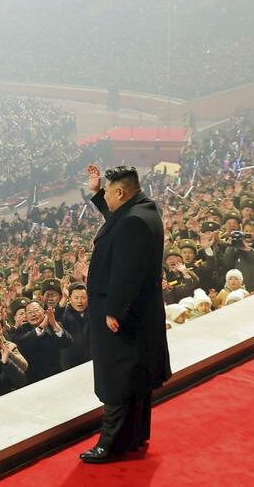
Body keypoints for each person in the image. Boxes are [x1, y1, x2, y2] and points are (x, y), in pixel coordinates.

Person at [80, 165, 170, 463]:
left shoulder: (134, 221)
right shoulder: (142, 212)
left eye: (107, 190)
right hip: (139, 314)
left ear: (121, 192)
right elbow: (117, 222)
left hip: (123, 316)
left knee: (116, 378)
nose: (104, 194)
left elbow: (126, 272)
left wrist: (114, 310)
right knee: (134, 378)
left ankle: (111, 444)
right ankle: (134, 436)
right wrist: (95, 193)